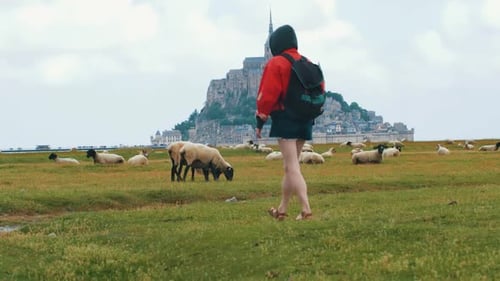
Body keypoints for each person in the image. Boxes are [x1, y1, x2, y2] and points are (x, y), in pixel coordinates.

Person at [256, 24, 324, 221]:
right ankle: (282, 210)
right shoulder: (307, 62)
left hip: (286, 119)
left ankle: (306, 209)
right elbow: (320, 88)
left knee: (293, 166)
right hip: (305, 119)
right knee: (289, 166)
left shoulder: (277, 63)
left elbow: (267, 95)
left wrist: (260, 120)